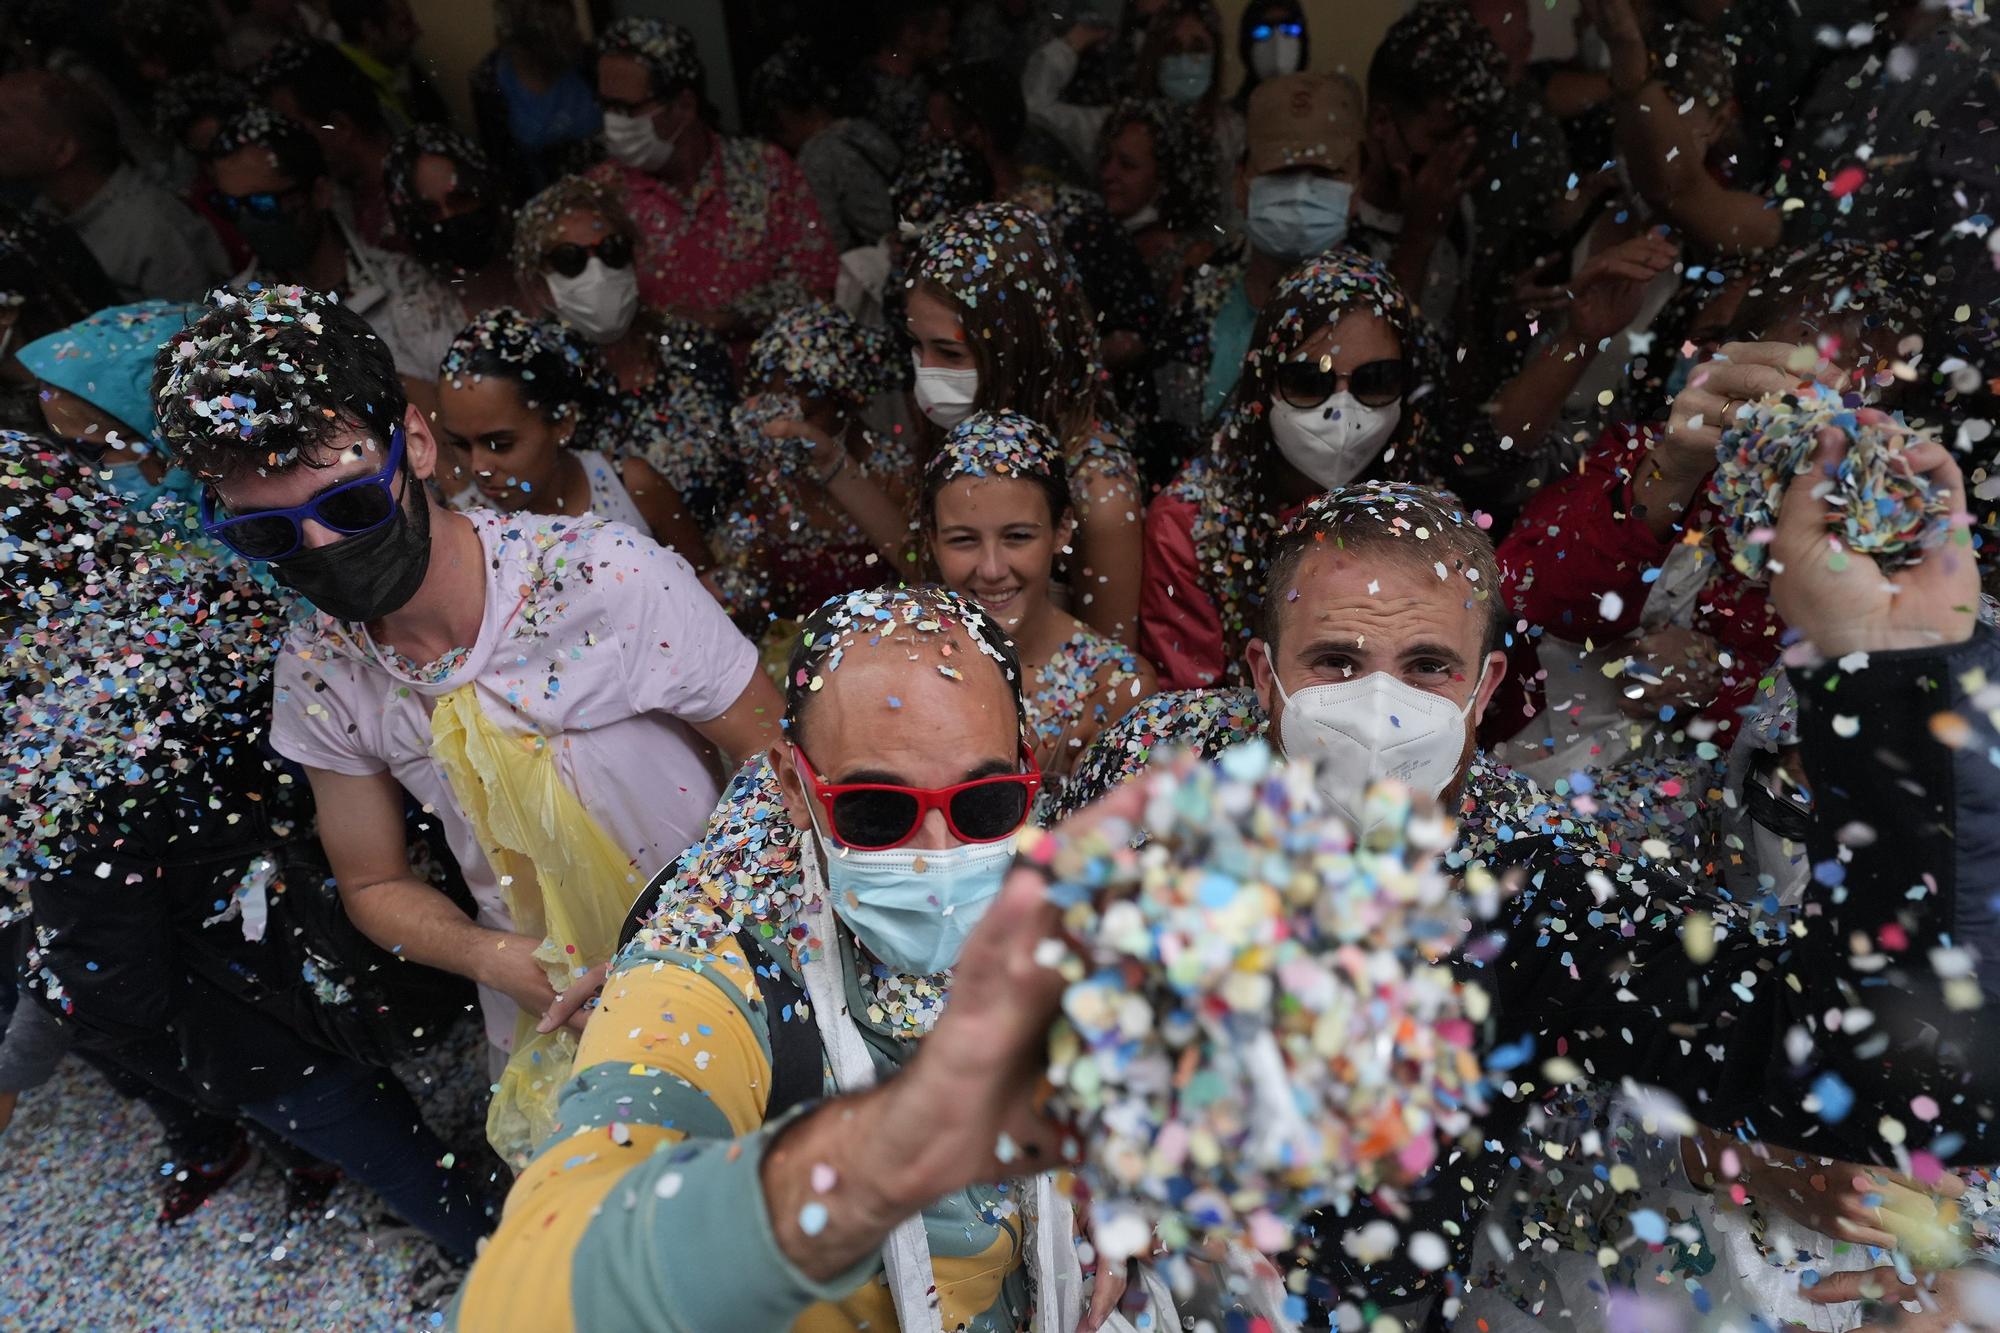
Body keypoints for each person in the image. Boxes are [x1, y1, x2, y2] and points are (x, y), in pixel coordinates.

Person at [1067, 475, 2000, 1323]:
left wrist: (1899, 667)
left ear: (1484, 691)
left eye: (1428, 665)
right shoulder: (1157, 770)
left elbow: (1853, 1058)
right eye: (1337, 662)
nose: (1379, 710)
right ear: (1265, 674)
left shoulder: (1549, 881)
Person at [151, 284, 784, 1165]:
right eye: (270, 536)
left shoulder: (605, 576)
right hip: (549, 993)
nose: (324, 548)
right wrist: (500, 960)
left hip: (731, 938)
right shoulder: (321, 669)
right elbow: (371, 884)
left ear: (413, 442)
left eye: (351, 507)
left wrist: (691, 939)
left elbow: (778, 761)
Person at [450, 585, 1147, 1332]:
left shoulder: (1048, 876)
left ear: (1023, 774)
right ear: (794, 785)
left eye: (984, 803)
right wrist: (851, 1171)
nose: (937, 857)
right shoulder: (707, 959)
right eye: (877, 812)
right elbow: (527, 1289)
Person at [1, 431, 490, 1286]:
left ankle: (497, 1251)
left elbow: (119, 982)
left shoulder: (52, 752)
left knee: (399, 1159)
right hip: (379, 898)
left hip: (257, 1014)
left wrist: (44, 1017)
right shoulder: (212, 586)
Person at [1489, 241, 1933, 784]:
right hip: (1523, 777)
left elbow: (1858, 733)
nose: (1820, 424)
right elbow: (1525, 597)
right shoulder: (1643, 454)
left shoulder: (1888, 537)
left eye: (1858, 402)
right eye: (1800, 388)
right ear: (1733, 364)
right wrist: (1671, 474)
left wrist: (1721, 680)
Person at [1140, 243, 1666, 691]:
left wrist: (1579, 336)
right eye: (1307, 381)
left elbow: (1500, 451)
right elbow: (1194, 704)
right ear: (1262, 384)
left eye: (1374, 381)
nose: (1340, 410)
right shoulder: (1193, 524)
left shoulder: (1432, 489)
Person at [908, 202, 1147, 648]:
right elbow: (926, 568)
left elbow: (1111, 679)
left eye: (950, 353)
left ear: (1019, 349)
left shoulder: (1098, 488)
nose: (927, 371)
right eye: (917, 347)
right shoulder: (956, 428)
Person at [922, 410, 1157, 806]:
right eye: (963, 540)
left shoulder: (1114, 687)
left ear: (1061, 530)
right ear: (932, 540)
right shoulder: (899, 660)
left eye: (1017, 537)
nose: (992, 569)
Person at [589, 18, 837, 345]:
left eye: (626, 108)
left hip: (769, 380)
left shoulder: (766, 172)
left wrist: (723, 320)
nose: (612, 122)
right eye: (607, 106)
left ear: (685, 105)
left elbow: (816, 289)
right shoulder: (600, 195)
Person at [510, 172, 738, 525]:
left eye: (613, 250)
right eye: (570, 259)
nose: (598, 272)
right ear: (538, 284)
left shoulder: (693, 349)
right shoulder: (543, 389)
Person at [204, 105, 462, 403]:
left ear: (320, 193)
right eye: (229, 207)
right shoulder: (235, 319)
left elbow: (461, 399)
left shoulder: (404, 282)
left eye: (263, 203)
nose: (246, 222)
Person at [705, 302, 915, 636]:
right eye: (780, 412)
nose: (792, 430)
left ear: (849, 400)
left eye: (809, 414)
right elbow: (755, 602)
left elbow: (926, 579)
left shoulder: (895, 476)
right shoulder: (771, 473)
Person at [435, 306, 707, 563]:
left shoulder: (632, 487)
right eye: (460, 444)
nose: (478, 467)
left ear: (563, 424)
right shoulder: (467, 529)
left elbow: (708, 593)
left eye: (500, 444)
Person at [0, 70, 228, 303]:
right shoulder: (44, 213)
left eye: (3, 118)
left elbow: (203, 324)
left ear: (62, 151)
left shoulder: (151, 227)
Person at [16, 299, 203, 515]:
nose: (84, 467)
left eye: (89, 449)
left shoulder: (239, 527)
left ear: (162, 430)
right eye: (62, 443)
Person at [751, 38, 901, 257]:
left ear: (783, 112)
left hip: (882, 267)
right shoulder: (862, 129)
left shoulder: (814, 159)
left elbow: (828, 246)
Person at [255, 38, 402, 251]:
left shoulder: (414, 207)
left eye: (294, 132)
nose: (286, 149)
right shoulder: (352, 200)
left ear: (340, 127)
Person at [1095, 96, 1219, 309]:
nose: (1108, 174)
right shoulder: (1092, 234)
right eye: (1106, 159)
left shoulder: (1194, 258)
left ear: (1165, 177)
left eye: (1127, 165)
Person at [469, 0, 600, 200]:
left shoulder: (589, 62)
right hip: (541, 205)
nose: (576, 34)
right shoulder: (489, 82)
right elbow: (501, 170)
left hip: (605, 190)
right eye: (562, 30)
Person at [383, 123, 517, 316]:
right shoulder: (419, 317)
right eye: (430, 211)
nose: (449, 218)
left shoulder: (542, 274)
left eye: (460, 199)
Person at [329, 0, 451, 129]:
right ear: (371, 30)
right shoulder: (350, 94)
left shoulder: (397, 68)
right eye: (405, 24)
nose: (417, 31)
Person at [854, 0, 955, 146]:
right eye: (940, 36)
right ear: (911, 36)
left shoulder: (930, 81)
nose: (946, 45)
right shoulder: (866, 88)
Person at [1230, 1, 1308, 109]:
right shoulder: (1226, 121)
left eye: (1289, 28)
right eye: (1262, 31)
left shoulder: (1319, 115)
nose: (1277, 41)